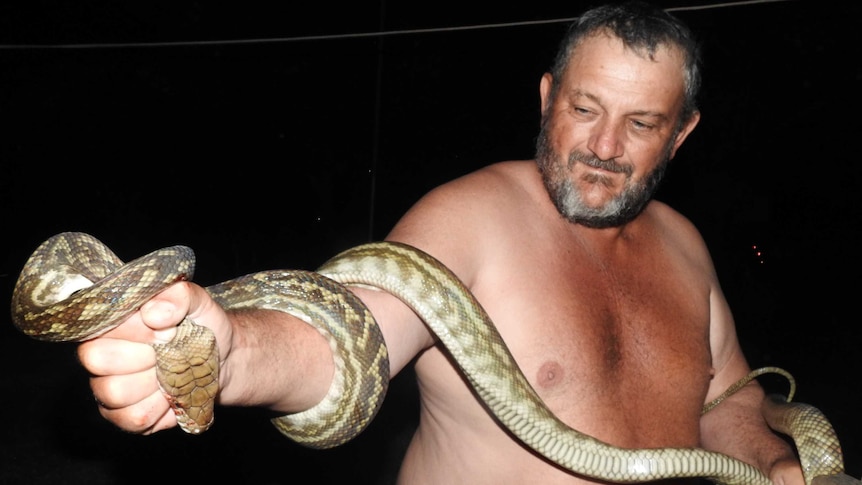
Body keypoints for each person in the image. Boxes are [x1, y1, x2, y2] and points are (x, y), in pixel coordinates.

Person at [76, 2, 804, 484]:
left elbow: (726, 401)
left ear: (682, 133)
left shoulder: (687, 248)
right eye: (584, 108)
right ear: (548, 98)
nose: (605, 146)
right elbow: (346, 339)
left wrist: (779, 465)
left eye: (642, 124)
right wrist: (229, 351)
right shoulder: (469, 220)